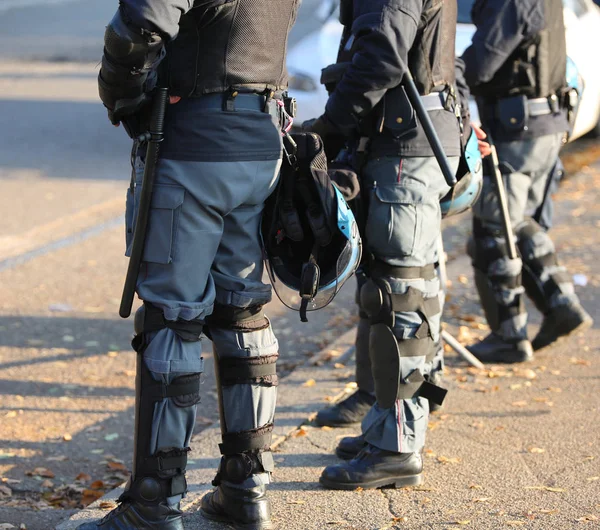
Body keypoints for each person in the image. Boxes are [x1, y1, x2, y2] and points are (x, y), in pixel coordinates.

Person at [79, 1, 301, 528]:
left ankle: (156, 502)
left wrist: (121, 96)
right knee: (242, 312)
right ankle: (246, 491)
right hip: (262, 142)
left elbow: (141, 22)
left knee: (173, 321)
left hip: (195, 146)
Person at [305, 0, 462, 489]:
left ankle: (396, 446)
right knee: (394, 293)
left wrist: (330, 126)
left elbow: (383, 54)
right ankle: (386, 427)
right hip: (408, 141)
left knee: (401, 298)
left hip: (404, 149)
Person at [462, 0, 593, 364]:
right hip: (542, 123)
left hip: (518, 129)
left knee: (494, 229)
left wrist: (446, 72)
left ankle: (509, 336)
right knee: (518, 222)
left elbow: (482, 63)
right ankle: (561, 303)